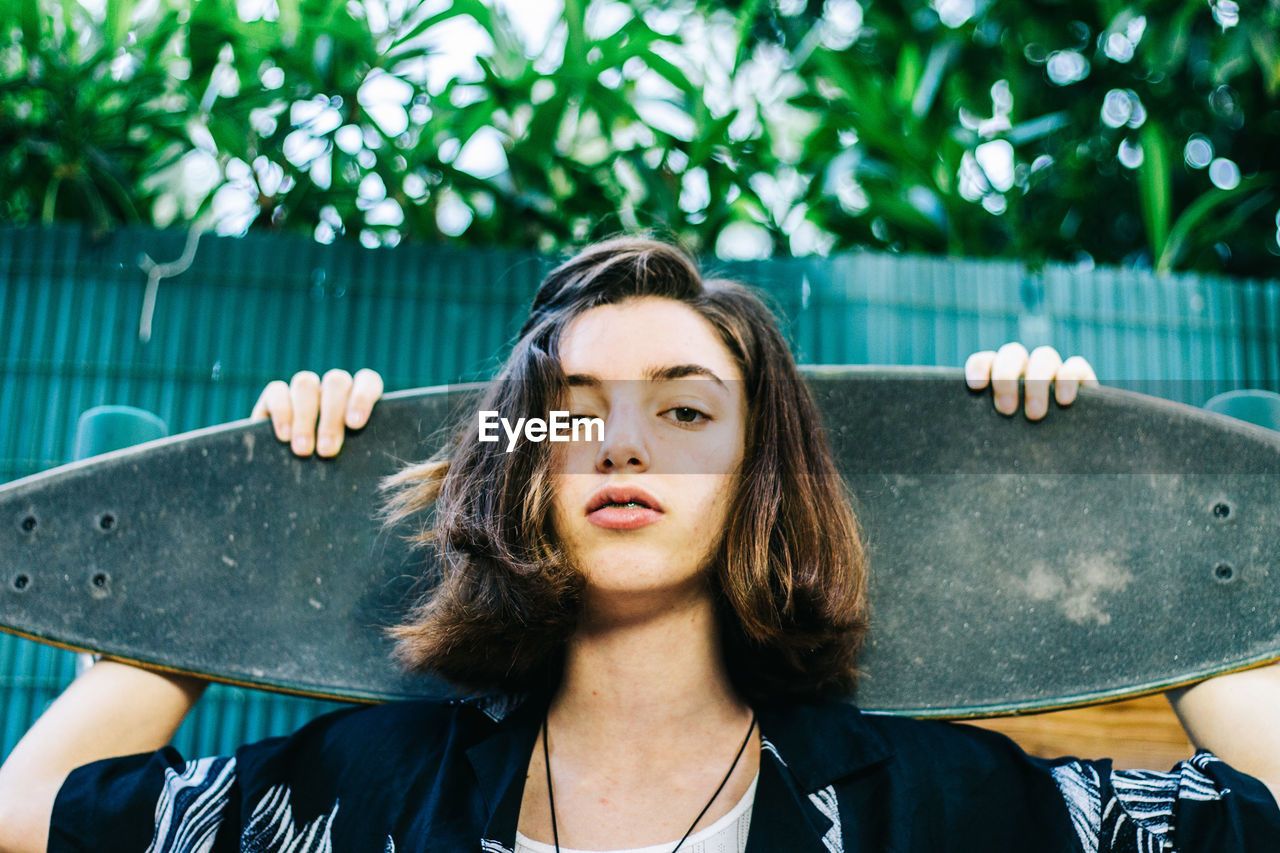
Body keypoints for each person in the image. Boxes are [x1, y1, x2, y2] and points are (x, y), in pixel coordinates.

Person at [0, 237, 1277, 853]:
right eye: (573, 412)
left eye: (682, 409)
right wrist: (236, 528)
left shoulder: (929, 803)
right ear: (525, 468)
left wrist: (1139, 511)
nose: (622, 445)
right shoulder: (375, 787)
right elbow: (23, 817)